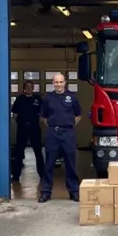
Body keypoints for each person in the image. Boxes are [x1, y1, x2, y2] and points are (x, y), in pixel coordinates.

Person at [38, 73, 82, 203]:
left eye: (61, 82)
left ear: (65, 82)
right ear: (53, 83)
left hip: (68, 134)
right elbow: (44, 117)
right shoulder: (48, 98)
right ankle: (45, 192)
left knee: (70, 164)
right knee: (49, 164)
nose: (58, 84)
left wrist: (68, 126)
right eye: (56, 82)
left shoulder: (72, 97)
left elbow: (78, 116)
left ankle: (74, 192)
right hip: (53, 134)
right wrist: (54, 127)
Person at [11, 80, 45, 183]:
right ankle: (16, 176)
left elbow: (43, 113)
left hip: (35, 129)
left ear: (33, 88)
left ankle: (42, 175)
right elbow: (15, 115)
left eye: (31, 87)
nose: (29, 88)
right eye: (27, 87)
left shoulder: (37, 99)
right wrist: (21, 123)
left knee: (38, 152)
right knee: (19, 152)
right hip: (22, 129)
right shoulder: (20, 99)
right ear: (24, 88)